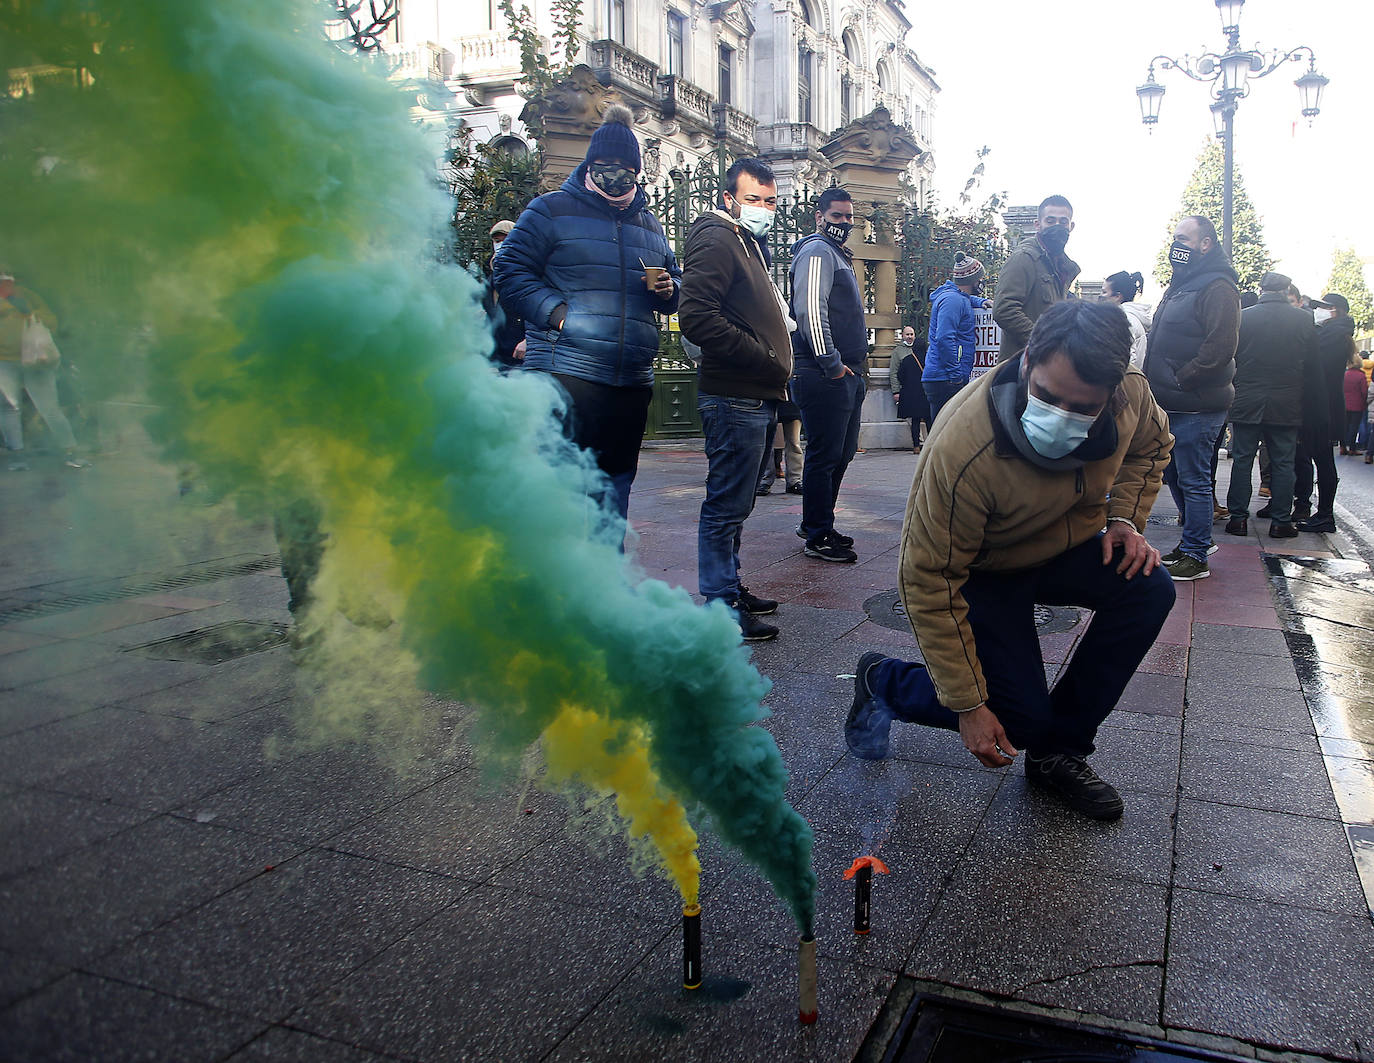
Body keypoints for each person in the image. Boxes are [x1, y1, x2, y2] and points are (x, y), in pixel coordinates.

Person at [845, 300, 1174, 821]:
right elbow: (927, 579)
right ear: (1026, 363)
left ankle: (1058, 752)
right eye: (1047, 395)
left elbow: (1152, 447)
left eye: (1082, 407)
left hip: (1063, 544)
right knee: (1015, 721)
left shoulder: (1130, 392)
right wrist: (969, 707)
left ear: (1112, 395)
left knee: (1149, 586)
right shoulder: (963, 448)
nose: (1060, 416)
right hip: (985, 571)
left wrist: (1125, 521)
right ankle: (883, 681)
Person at [494, 105, 679, 535]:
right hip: (566, 372)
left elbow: (677, 285)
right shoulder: (550, 210)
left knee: (615, 488)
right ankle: (557, 585)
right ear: (590, 166)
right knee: (561, 487)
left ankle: (604, 587)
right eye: (605, 167)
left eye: (625, 170)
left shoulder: (651, 225)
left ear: (637, 171)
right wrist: (557, 316)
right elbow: (510, 271)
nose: (616, 176)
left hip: (630, 380)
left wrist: (671, 292)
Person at [679, 157, 793, 642]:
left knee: (739, 502)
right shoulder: (717, 238)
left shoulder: (746, 241)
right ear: (729, 200)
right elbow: (697, 317)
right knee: (726, 503)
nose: (763, 209)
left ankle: (730, 586)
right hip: (734, 394)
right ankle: (721, 603)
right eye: (753, 200)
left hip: (752, 393)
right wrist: (763, 356)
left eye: (769, 201)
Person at [1143, 215, 1239, 581]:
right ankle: (1194, 542)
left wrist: (1183, 379)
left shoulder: (1217, 287)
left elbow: (1221, 346)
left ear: (1206, 244)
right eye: (1175, 237)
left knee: (1195, 479)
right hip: (1173, 402)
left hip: (1196, 403)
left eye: (1184, 238)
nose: (1176, 245)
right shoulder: (1184, 284)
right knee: (1177, 475)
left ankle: (1196, 555)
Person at [790, 187, 867, 563]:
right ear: (820, 217)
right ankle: (818, 533)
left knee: (841, 453)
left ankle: (818, 522)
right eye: (837, 216)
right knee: (825, 456)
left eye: (849, 217)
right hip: (825, 372)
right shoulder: (817, 250)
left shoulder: (835, 254)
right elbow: (810, 308)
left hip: (846, 372)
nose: (845, 223)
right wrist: (831, 362)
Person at [1221, 272, 1314, 540]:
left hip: (1247, 398)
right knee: (1284, 462)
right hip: (1286, 402)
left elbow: (1231, 357)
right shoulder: (1304, 319)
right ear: (1286, 289)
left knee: (1242, 459)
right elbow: (1310, 365)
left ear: (1261, 289)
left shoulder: (1244, 317)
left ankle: (1238, 519)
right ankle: (1281, 521)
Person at [0, 266, 87, 470]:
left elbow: (51, 320)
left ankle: (70, 451)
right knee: (9, 408)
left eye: (7, 281)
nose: (6, 286)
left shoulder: (28, 297)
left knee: (49, 408)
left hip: (36, 361)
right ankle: (17, 456)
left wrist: (31, 314)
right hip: (4, 362)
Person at [1293, 292, 1354, 533]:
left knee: (1323, 460)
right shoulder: (1334, 332)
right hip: (1322, 406)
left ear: (1335, 310)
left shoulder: (1334, 335)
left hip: (1323, 408)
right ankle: (1323, 513)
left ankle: (1326, 514)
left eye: (1322, 307)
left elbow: (1316, 363)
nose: (1318, 310)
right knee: (1321, 459)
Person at [992, 195, 1080, 363]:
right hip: (1021, 367)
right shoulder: (1024, 258)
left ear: (1071, 226)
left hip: (1049, 366)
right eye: (1050, 221)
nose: (1057, 226)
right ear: (1037, 225)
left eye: (1063, 222)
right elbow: (1004, 310)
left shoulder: (1061, 266)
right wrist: (1043, 342)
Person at [923, 252, 992, 424]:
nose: (981, 282)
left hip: (943, 377)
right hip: (945, 379)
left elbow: (966, 298)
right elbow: (945, 338)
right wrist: (956, 375)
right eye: (980, 279)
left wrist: (981, 301)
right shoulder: (953, 301)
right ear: (973, 280)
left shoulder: (956, 297)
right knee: (944, 440)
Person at [480, 220, 526, 371]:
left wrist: (529, 341)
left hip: (520, 359)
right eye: (497, 241)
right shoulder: (491, 280)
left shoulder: (529, 277)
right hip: (494, 359)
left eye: (506, 239)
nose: (500, 245)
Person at [889, 324, 929, 453]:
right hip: (925, 393)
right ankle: (930, 445)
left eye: (912, 334)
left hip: (911, 394)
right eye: (907, 334)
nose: (910, 337)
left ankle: (916, 446)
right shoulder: (929, 359)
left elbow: (899, 375)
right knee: (929, 419)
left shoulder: (907, 360)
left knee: (915, 420)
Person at [1101, 270, 1152, 369]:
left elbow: (1126, 360)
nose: (1101, 296)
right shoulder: (1129, 317)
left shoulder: (1124, 320)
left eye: (1104, 292)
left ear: (1117, 296)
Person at [1341, 348, 1367, 456]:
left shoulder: (1345, 374)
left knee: (1345, 426)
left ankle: (1342, 446)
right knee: (1354, 427)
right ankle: (1352, 448)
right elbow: (1364, 392)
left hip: (1345, 404)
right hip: (1357, 405)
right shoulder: (1361, 375)